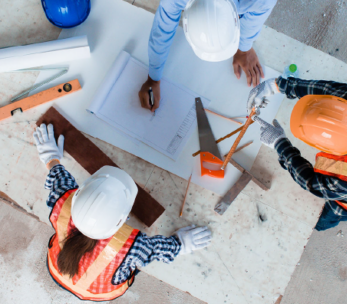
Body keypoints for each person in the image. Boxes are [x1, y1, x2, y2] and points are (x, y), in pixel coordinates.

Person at [32, 124, 213, 301]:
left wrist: (51, 158)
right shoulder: (129, 248)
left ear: (79, 194)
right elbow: (155, 250)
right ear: (123, 220)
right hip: (99, 293)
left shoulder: (62, 204)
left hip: (57, 269)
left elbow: (58, 180)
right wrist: (180, 244)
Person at [139, 0, 278, 112]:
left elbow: (252, 23)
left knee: (250, 5)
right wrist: (153, 78)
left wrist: (244, 49)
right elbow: (161, 32)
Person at [246, 77, 347, 230]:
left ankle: (320, 225)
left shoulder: (345, 180)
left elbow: (308, 180)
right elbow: (325, 88)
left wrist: (279, 144)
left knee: (325, 217)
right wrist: (275, 86)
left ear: (323, 147)